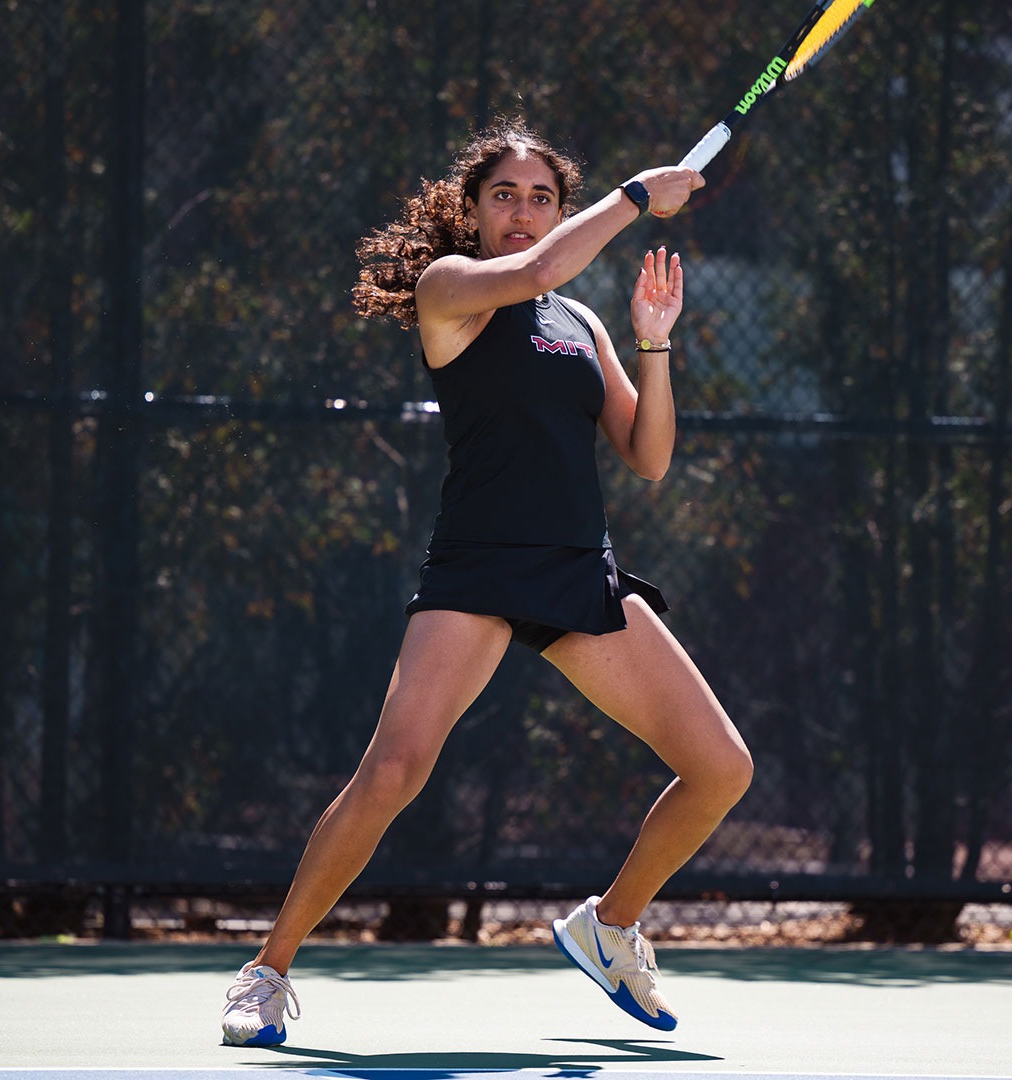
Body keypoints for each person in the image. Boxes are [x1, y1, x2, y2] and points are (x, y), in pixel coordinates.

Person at [221, 118, 753, 1047]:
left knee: (721, 769)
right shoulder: (452, 290)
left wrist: (654, 341)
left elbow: (649, 457)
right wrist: (635, 193)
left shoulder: (581, 322)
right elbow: (536, 271)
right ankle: (266, 972)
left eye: (541, 196)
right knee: (392, 772)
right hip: (477, 568)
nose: (524, 210)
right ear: (469, 212)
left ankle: (611, 924)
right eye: (504, 195)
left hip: (576, 571)